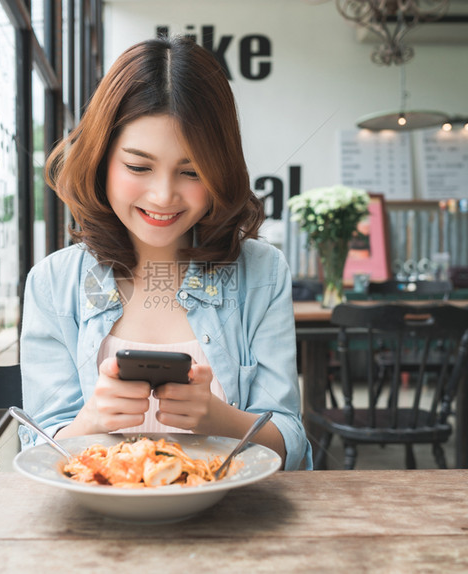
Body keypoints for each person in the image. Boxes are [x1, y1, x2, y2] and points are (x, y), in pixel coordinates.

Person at [19, 36, 311, 471]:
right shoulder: (53, 283)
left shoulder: (262, 272)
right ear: (101, 161)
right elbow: (36, 450)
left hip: (232, 525)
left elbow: (291, 442)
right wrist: (91, 421)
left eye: (191, 171)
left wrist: (219, 419)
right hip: (99, 523)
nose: (162, 196)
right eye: (138, 167)